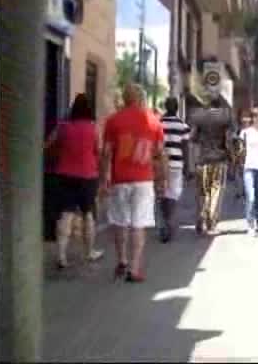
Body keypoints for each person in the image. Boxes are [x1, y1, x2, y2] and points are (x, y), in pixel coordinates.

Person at [100, 83, 168, 283]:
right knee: (139, 224)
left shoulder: (113, 121)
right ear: (141, 99)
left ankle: (121, 260)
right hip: (143, 180)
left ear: (125, 98)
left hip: (119, 179)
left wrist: (104, 178)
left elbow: (106, 153)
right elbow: (160, 154)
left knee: (120, 221)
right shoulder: (154, 122)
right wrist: (162, 179)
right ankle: (134, 268)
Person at [44, 93, 104, 269]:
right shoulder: (94, 128)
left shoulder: (63, 127)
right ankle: (89, 252)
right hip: (88, 175)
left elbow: (47, 144)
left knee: (66, 214)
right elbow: (99, 151)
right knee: (88, 214)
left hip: (65, 175)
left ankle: (61, 256)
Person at [190, 94, 234, 236]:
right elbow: (228, 141)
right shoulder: (225, 118)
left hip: (202, 160)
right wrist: (231, 157)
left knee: (202, 192)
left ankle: (200, 219)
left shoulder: (199, 117)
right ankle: (210, 223)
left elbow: (193, 137)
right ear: (220, 105)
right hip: (219, 160)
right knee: (216, 191)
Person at [158, 97, 190, 243]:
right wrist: (187, 167)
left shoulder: (159, 123)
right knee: (173, 193)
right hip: (177, 164)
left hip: (160, 163)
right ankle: (169, 221)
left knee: (162, 193)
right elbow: (185, 147)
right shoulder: (183, 126)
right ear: (177, 109)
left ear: (165, 107)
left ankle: (165, 220)